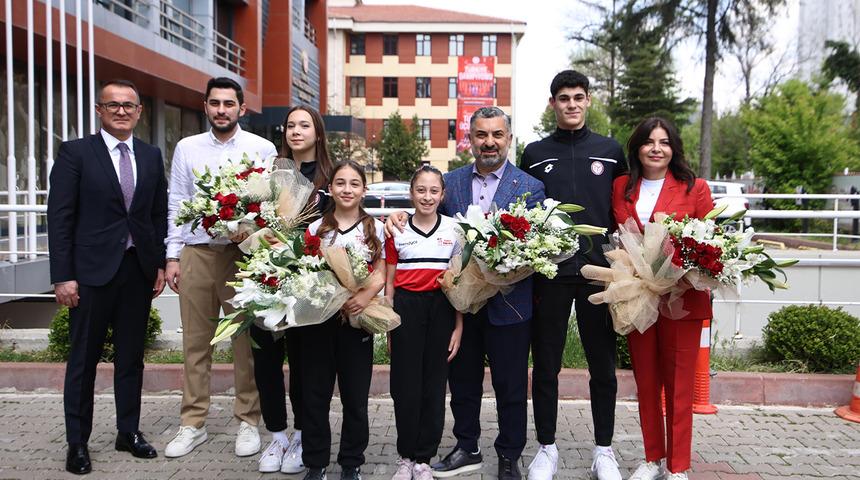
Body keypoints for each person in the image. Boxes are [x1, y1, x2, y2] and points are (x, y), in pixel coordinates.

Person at [386, 107, 546, 480]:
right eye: (481, 135)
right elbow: (423, 215)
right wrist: (395, 218)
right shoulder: (452, 182)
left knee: (509, 384)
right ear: (470, 139)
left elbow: (537, 245)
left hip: (510, 305)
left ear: (508, 138)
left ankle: (509, 454)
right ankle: (466, 447)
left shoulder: (530, 186)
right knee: (461, 383)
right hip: (459, 305)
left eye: (497, 134)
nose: (489, 142)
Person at [48, 79, 168, 475]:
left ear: (139, 112)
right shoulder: (76, 153)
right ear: (99, 110)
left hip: (137, 272)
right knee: (83, 360)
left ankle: (127, 432)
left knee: (131, 359)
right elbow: (60, 218)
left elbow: (156, 215)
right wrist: (63, 275)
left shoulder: (151, 156)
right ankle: (77, 443)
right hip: (90, 274)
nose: (121, 111)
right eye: (112, 105)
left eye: (128, 105)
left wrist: (160, 264)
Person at [519, 70, 627, 480]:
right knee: (546, 365)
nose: (571, 104)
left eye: (578, 97)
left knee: (603, 366)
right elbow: (527, 211)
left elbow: (623, 209)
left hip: (599, 272)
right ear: (552, 104)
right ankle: (547, 448)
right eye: (563, 98)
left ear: (588, 101)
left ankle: (604, 451)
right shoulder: (535, 152)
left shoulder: (611, 150)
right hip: (550, 272)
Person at [164, 77, 277, 458]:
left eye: (229, 103)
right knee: (196, 343)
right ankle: (193, 422)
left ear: (242, 108)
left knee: (245, 343)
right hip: (197, 253)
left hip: (243, 255)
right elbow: (177, 202)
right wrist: (173, 255)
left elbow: (272, 205)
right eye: (215, 103)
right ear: (206, 106)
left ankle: (247, 421)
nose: (222, 110)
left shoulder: (261, 148)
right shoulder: (187, 148)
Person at [611, 117, 714, 480]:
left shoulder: (694, 187)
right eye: (649, 141)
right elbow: (620, 237)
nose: (656, 148)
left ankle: (678, 466)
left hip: (682, 298)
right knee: (647, 382)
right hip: (640, 295)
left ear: (674, 149)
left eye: (664, 142)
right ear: (637, 147)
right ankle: (652, 458)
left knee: (680, 385)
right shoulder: (623, 185)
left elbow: (709, 242)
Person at [254, 105, 333, 474]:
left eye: (304, 125)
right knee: (267, 360)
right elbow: (255, 220)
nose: (296, 131)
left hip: (309, 283)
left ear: (317, 132)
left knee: (305, 365)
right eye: (290, 125)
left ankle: (303, 434)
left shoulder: (332, 177)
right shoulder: (271, 173)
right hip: (267, 278)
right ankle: (277, 436)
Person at [301, 160, 387, 480]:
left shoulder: (375, 228)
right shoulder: (316, 228)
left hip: (356, 321)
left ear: (364, 189)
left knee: (354, 396)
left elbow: (381, 270)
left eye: (354, 183)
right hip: (319, 322)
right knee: (315, 394)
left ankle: (351, 462)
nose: (347, 189)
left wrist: (365, 296)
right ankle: (316, 461)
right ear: (330, 189)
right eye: (340, 183)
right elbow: (305, 272)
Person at [384, 166, 464, 480]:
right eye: (421, 190)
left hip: (441, 307)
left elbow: (459, 282)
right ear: (411, 193)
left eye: (433, 191)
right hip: (406, 307)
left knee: (433, 385)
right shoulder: (396, 230)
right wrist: (389, 322)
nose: (427, 197)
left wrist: (458, 325)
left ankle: (424, 460)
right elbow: (389, 282)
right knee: (404, 386)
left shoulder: (454, 230)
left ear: (442, 195)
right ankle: (405, 456)